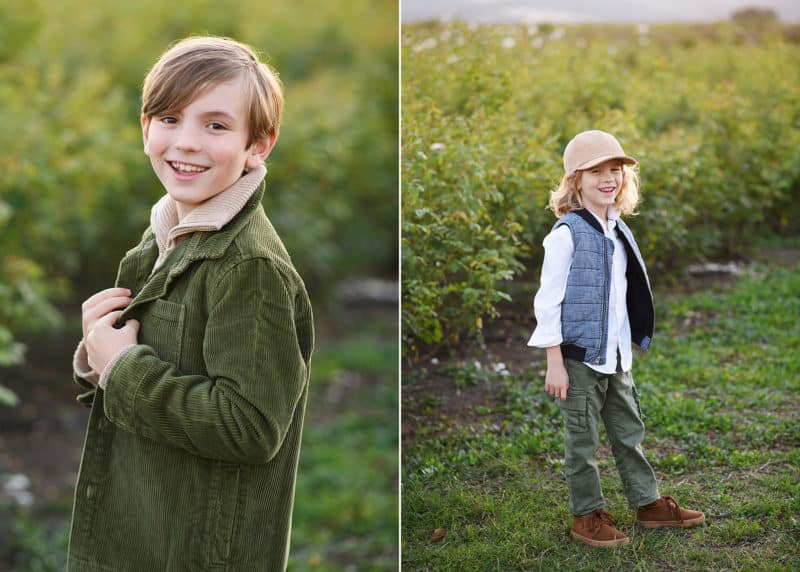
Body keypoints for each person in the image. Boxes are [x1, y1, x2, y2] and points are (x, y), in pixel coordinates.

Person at [68, 36, 313, 570]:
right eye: (170, 118)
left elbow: (249, 427)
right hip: (144, 524)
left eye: (216, 125)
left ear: (259, 145)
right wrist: (99, 354)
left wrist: (124, 368)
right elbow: (145, 374)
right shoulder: (165, 233)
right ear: (145, 129)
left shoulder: (249, 268)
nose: (186, 142)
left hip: (199, 547)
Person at [527, 130, 704, 548]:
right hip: (579, 359)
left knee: (629, 432)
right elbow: (547, 302)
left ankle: (648, 504)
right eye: (597, 172)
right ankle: (586, 515)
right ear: (575, 180)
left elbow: (621, 295)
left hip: (616, 356)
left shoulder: (618, 228)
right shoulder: (566, 234)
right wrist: (555, 361)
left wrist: (628, 344)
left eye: (615, 171)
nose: (609, 179)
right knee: (582, 440)